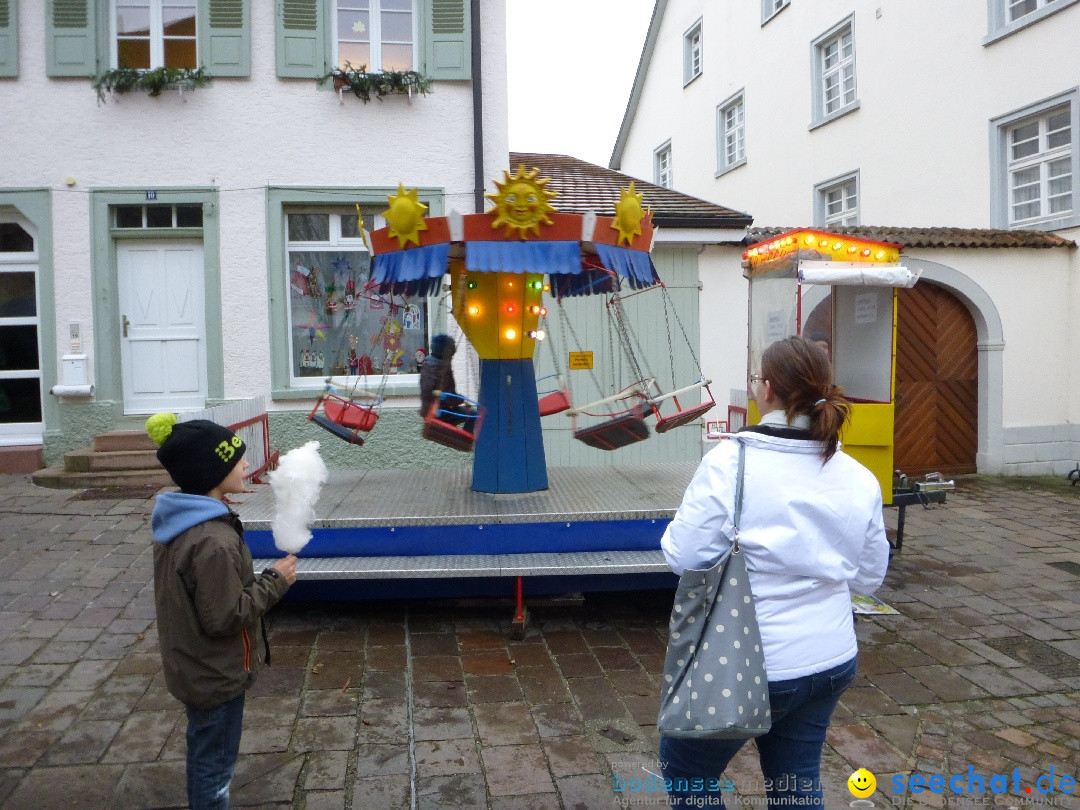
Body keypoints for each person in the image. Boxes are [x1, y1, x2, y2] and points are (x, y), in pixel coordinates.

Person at [658, 336, 889, 808]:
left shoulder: (729, 463)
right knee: (797, 783)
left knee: (686, 774)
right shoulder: (858, 476)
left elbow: (683, 557)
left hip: (749, 663)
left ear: (765, 389)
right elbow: (869, 579)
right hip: (829, 661)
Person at [146, 413, 298, 810]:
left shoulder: (185, 523)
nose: (246, 465)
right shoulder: (212, 541)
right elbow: (226, 616)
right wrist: (276, 580)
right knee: (214, 766)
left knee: (205, 749)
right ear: (211, 473)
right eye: (236, 460)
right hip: (215, 672)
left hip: (195, 664)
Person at [418, 333, 476, 431]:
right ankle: (465, 440)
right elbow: (448, 396)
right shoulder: (442, 369)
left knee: (464, 413)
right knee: (474, 414)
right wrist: (461, 399)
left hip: (429, 411)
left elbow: (430, 391)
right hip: (441, 413)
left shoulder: (427, 365)